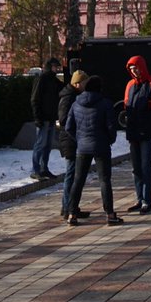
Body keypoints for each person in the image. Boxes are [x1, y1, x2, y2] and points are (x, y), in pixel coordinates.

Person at [63, 75, 123, 227]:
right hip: (101, 146)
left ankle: (72, 214)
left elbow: (69, 127)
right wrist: (110, 139)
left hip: (82, 147)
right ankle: (110, 214)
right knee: (104, 180)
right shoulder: (105, 103)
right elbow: (111, 126)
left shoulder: (76, 103)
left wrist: (79, 139)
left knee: (78, 180)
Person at [124, 55, 151, 214]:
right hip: (133, 130)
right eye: (131, 69)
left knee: (145, 166)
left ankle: (146, 200)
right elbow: (126, 102)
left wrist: (150, 104)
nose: (134, 72)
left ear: (142, 67)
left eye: (136, 68)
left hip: (146, 130)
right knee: (136, 167)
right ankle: (139, 198)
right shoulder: (130, 84)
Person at [57, 70, 91, 220]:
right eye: (84, 83)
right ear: (77, 83)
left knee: (74, 175)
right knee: (71, 175)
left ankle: (71, 206)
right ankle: (67, 208)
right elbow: (64, 120)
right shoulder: (69, 97)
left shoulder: (73, 95)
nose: (86, 85)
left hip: (73, 139)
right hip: (70, 140)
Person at [30, 57, 63, 180]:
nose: (57, 69)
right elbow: (35, 99)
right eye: (56, 66)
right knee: (40, 144)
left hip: (51, 117)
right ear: (50, 66)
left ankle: (44, 168)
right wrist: (37, 117)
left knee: (47, 145)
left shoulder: (53, 80)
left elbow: (63, 88)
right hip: (43, 118)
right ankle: (35, 169)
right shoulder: (42, 79)